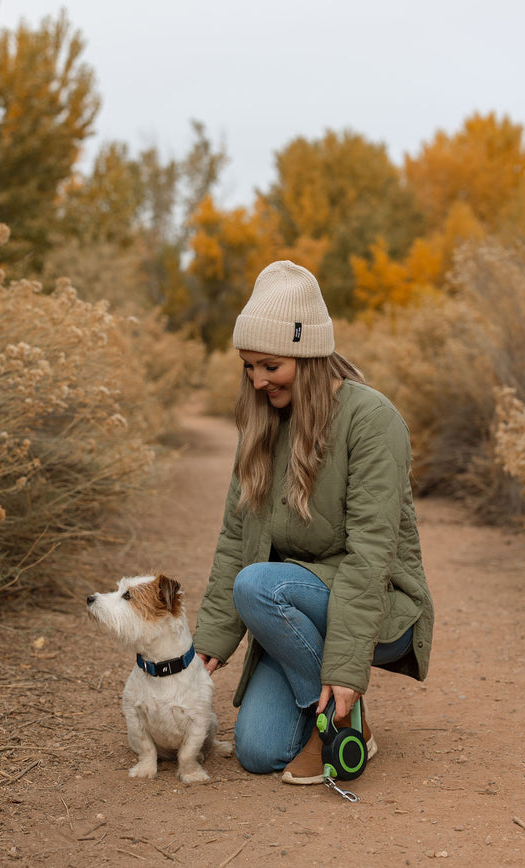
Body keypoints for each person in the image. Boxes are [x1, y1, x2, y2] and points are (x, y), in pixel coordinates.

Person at [192, 259, 434, 784]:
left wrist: (347, 670)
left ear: (308, 353)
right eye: (248, 366)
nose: (257, 381)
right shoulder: (260, 425)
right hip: (292, 608)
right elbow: (238, 537)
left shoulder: (372, 421)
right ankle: (339, 717)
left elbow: (372, 556)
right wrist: (211, 638)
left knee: (255, 584)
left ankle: (340, 718)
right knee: (258, 752)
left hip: (377, 609)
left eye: (270, 366)